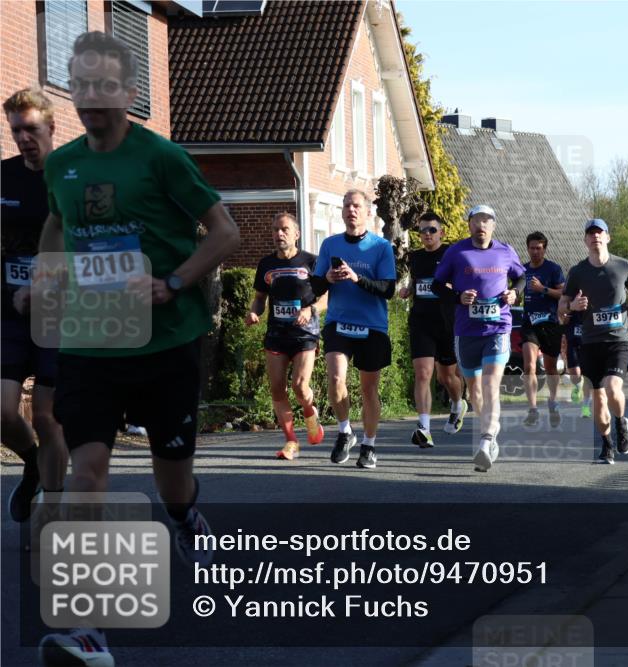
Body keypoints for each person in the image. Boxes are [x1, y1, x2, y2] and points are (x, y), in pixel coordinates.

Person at [35, 32, 240, 665]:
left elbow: (225, 232)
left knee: (172, 478)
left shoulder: (162, 158)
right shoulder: (62, 166)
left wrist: (173, 281)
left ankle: (183, 518)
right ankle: (85, 626)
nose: (92, 97)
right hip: (89, 342)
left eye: (105, 85)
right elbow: (58, 222)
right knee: (87, 470)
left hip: (165, 340)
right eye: (81, 85)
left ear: (129, 93)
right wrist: (45, 277)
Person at [1, 88, 68, 522]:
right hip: (8, 313)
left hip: (59, 317)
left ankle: (56, 508)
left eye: (30, 129)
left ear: (51, 128)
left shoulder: (70, 181)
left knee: (47, 416)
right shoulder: (3, 176)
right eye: (15, 130)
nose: (23, 138)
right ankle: (33, 464)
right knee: (2, 412)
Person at [432, 205, 525, 472]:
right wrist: (457, 297)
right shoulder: (456, 252)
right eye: (476, 220)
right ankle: (491, 435)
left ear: (493, 225)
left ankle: (485, 440)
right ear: (469, 225)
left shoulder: (505, 251)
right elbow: (437, 285)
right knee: (475, 390)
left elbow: (521, 277)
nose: (481, 225)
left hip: (498, 328)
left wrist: (514, 293)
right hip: (466, 331)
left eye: (486, 221)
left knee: (490, 384)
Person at [312, 190, 396, 469]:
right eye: (347, 205)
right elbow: (314, 287)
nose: (351, 210)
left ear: (368, 212)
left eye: (357, 205)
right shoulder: (330, 244)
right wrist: (327, 278)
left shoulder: (381, 247)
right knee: (336, 378)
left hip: (372, 325)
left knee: (368, 389)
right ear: (342, 211)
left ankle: (369, 445)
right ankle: (345, 431)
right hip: (338, 322)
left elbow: (388, 289)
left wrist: (357, 278)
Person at [559, 219, 628, 464]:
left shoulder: (623, 266)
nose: (595, 237)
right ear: (585, 240)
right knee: (598, 398)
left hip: (618, 340)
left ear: (608, 237)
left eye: (599, 233)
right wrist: (572, 305)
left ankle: (620, 422)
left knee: (612, 387)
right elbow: (562, 306)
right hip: (590, 342)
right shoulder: (577, 272)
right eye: (591, 234)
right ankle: (607, 445)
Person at [246, 212, 327, 460]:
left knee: (300, 387)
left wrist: (309, 309)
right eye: (275, 230)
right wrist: (253, 312)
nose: (279, 234)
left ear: (297, 234)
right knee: (277, 389)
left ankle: (310, 413)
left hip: (305, 334)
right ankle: (291, 441)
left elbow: (326, 297)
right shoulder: (266, 264)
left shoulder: (312, 262)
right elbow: (260, 298)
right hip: (276, 333)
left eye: (284, 229)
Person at [397, 211, 466, 447]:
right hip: (421, 322)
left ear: (441, 233)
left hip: (446, 322)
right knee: (423, 373)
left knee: (446, 376)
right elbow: (416, 281)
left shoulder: (451, 254)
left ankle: (457, 404)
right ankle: (424, 428)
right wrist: (408, 290)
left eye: (432, 230)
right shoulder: (415, 257)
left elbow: (462, 281)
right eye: (423, 230)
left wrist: (455, 289)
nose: (427, 234)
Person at [520, 231, 565, 428]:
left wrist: (542, 289)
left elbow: (563, 294)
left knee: (550, 368)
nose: (535, 252)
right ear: (527, 249)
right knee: (529, 366)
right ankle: (533, 409)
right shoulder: (522, 270)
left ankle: (553, 402)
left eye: (539, 248)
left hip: (550, 323)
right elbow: (515, 289)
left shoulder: (553, 269)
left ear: (544, 249)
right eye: (532, 248)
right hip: (530, 323)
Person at [560, 310, 591, 417]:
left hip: (588, 343)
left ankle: (586, 407)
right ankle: (577, 386)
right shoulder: (570, 304)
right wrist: (563, 318)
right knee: (575, 375)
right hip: (573, 342)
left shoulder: (593, 304)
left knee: (587, 377)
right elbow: (561, 319)